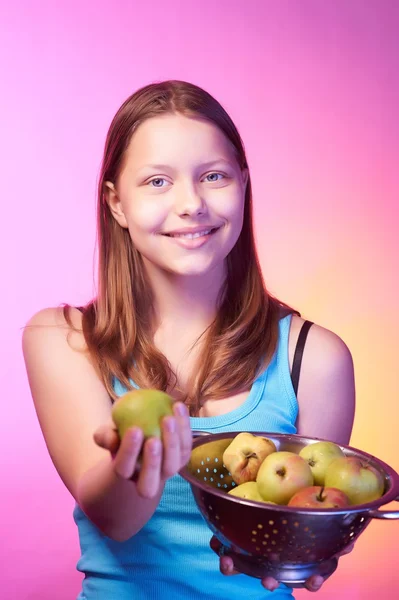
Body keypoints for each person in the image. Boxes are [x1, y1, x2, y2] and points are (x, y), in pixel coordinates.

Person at [22, 80, 355, 599]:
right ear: (116, 204)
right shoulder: (64, 341)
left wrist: (312, 548)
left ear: (244, 184)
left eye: (214, 176)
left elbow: (308, 521)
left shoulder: (314, 359)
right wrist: (143, 456)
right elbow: (116, 520)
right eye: (157, 182)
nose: (191, 204)